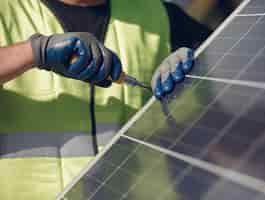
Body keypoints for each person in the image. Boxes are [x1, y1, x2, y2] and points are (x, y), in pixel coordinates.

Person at [0, 0, 213, 199]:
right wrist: (33, 52)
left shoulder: (162, 16)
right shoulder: (6, 12)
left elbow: (215, 116)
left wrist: (197, 68)